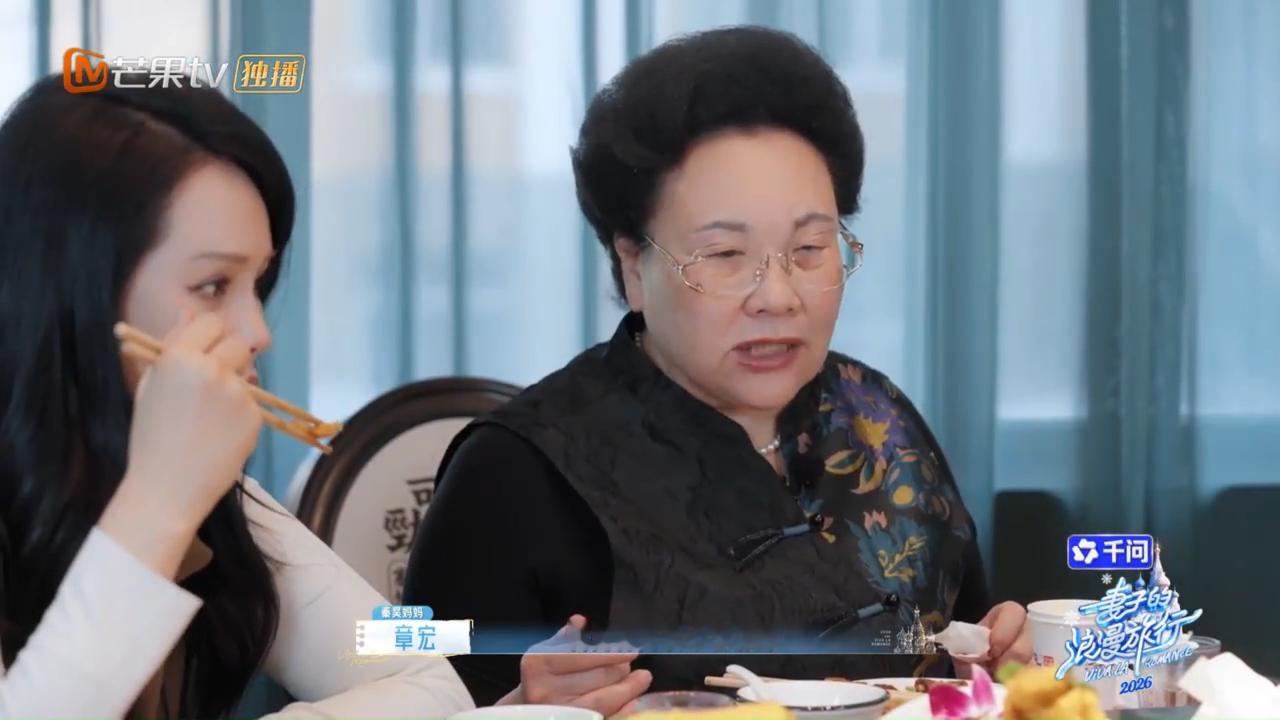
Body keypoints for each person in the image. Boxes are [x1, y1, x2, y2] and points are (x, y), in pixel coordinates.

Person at [404, 26, 1032, 704]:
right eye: (726, 255)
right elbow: (408, 687)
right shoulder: (515, 472)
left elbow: (966, 645)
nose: (778, 297)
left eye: (810, 249)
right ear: (632, 265)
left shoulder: (878, 416)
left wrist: (1001, 660)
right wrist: (519, 712)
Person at [0, 72, 649, 718]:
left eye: (258, 284)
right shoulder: (173, 488)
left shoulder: (221, 499)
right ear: (73, 291)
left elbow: (426, 677)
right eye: (213, 286)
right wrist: (160, 500)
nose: (257, 332)